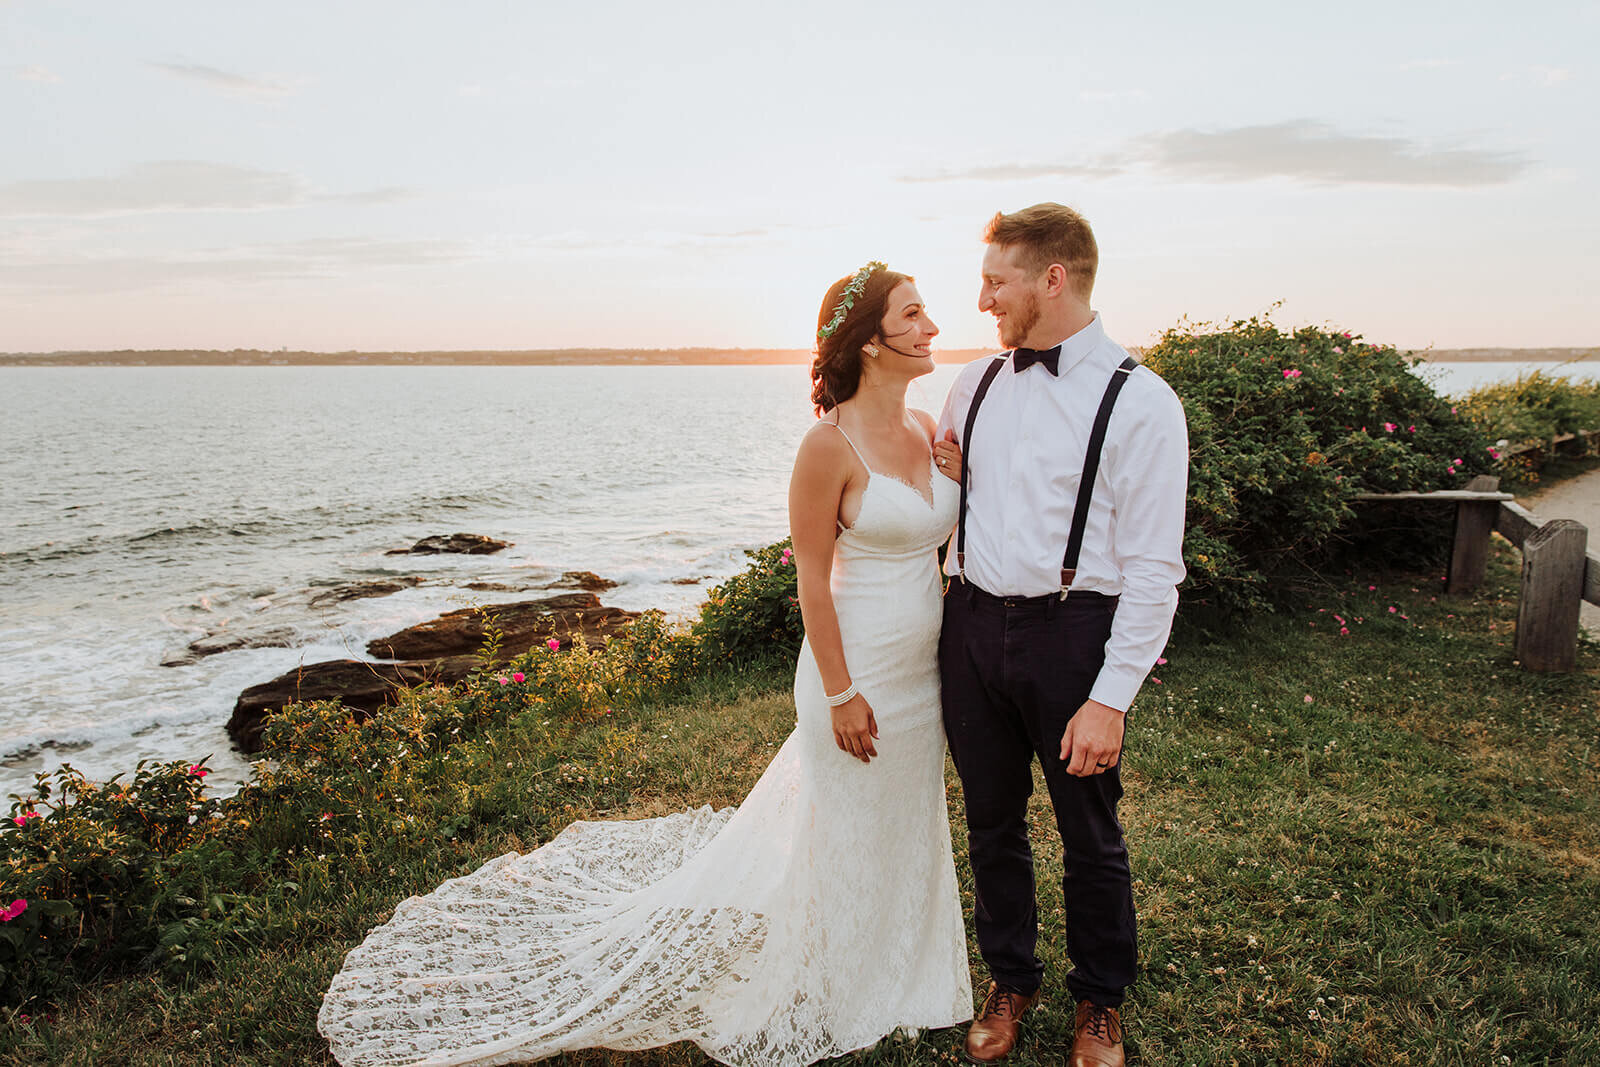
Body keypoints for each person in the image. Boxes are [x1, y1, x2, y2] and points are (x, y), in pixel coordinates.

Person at [316, 262, 972, 1067]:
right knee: (847, 833)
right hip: (855, 672)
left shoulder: (928, 431)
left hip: (923, 673)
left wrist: (956, 487)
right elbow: (812, 581)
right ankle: (842, 982)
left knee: (907, 826)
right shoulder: (824, 447)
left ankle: (912, 976)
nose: (931, 326)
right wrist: (840, 691)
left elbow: (921, 544)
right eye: (913, 314)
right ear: (870, 340)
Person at [936, 204, 1189, 1067]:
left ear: (1053, 278)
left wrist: (1110, 696)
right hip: (969, 625)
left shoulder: (1142, 402)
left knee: (1090, 828)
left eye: (995, 281)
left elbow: (1156, 571)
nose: (981, 301)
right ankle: (1011, 977)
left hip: (1073, 632)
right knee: (989, 819)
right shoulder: (968, 386)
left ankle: (1098, 1000)